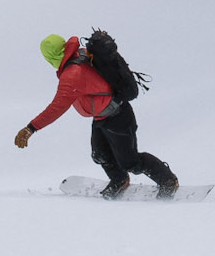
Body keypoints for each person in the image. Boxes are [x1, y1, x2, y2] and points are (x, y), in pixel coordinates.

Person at [15, 32, 179, 198]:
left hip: (118, 116)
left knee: (130, 162)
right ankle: (119, 180)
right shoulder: (79, 54)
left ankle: (167, 181)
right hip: (102, 116)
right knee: (100, 154)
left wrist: (31, 128)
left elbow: (57, 107)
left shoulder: (72, 74)